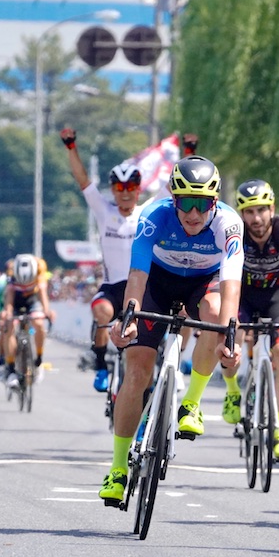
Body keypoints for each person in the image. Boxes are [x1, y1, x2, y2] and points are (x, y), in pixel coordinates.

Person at [100, 156, 244, 506]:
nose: (193, 214)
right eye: (185, 203)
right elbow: (137, 274)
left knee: (213, 313)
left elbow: (231, 285)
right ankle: (118, 469)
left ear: (214, 202)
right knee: (136, 373)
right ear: (173, 199)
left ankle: (191, 403)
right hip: (157, 284)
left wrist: (229, 337)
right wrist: (128, 317)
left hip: (202, 284)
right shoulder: (154, 215)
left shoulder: (228, 223)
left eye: (202, 204)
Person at [61, 126, 143, 395]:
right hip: (112, 289)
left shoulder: (147, 212)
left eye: (130, 187)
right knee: (102, 313)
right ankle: (99, 364)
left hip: (141, 290)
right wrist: (71, 147)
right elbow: (82, 180)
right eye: (120, 188)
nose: (125, 193)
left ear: (138, 189)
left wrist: (190, 153)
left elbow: (174, 186)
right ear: (113, 190)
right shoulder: (104, 211)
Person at [227, 178, 279, 463]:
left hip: (277, 298)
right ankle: (233, 392)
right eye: (249, 211)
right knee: (231, 341)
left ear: (272, 208)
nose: (256, 218)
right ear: (241, 213)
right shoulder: (236, 232)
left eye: (261, 210)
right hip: (244, 298)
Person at [0, 253, 49, 388]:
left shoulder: (40, 268)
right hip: (16, 299)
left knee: (38, 324)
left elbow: (43, 294)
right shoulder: (11, 271)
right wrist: (8, 314)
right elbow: (9, 298)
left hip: (33, 300)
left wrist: (46, 312)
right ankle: (10, 368)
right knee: (9, 327)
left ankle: (38, 358)